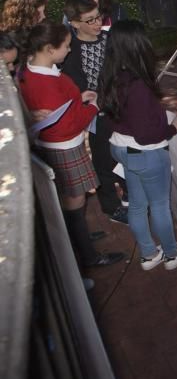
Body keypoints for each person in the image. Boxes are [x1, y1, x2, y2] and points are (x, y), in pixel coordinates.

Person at [19, 22, 125, 269]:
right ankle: (88, 255)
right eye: (66, 47)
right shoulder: (45, 83)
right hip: (65, 147)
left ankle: (80, 239)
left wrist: (78, 98)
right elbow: (68, 124)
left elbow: (62, 104)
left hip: (58, 145)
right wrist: (94, 107)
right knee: (75, 202)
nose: (69, 51)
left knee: (72, 200)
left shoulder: (32, 70)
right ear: (48, 48)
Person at [95, 20, 177, 270]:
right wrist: (174, 127)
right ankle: (172, 255)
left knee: (138, 205)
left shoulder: (110, 75)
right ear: (138, 45)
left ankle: (149, 255)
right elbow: (147, 135)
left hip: (121, 148)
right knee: (160, 205)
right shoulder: (138, 84)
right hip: (145, 153)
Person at [61, 0, 128, 224]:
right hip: (97, 113)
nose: (98, 23)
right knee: (103, 161)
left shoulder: (109, 39)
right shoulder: (71, 50)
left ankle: (131, 194)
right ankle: (111, 207)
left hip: (120, 106)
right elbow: (75, 85)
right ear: (74, 23)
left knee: (127, 151)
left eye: (99, 16)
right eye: (90, 20)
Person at [0, 0, 48, 64]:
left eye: (43, 11)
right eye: (39, 13)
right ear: (27, 14)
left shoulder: (29, 33)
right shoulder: (12, 40)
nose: (44, 16)